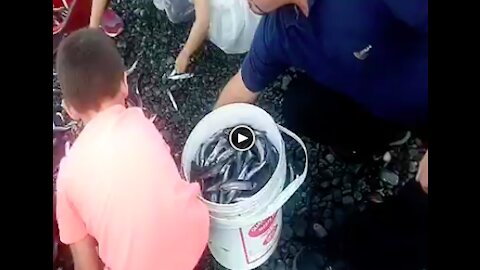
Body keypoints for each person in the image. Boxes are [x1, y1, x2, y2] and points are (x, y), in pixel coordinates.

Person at [55, 29, 209, 270]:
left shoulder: (67, 177)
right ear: (125, 83)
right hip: (195, 239)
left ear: (69, 109)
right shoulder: (140, 122)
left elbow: (85, 263)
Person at [215, 0, 428, 162]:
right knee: (300, 106)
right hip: (376, 107)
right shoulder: (280, 28)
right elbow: (239, 91)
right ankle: (386, 137)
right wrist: (209, 145)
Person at [153, 0, 261, 73]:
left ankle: (199, 40)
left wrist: (185, 53)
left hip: (235, 21)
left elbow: (203, 23)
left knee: (205, 23)